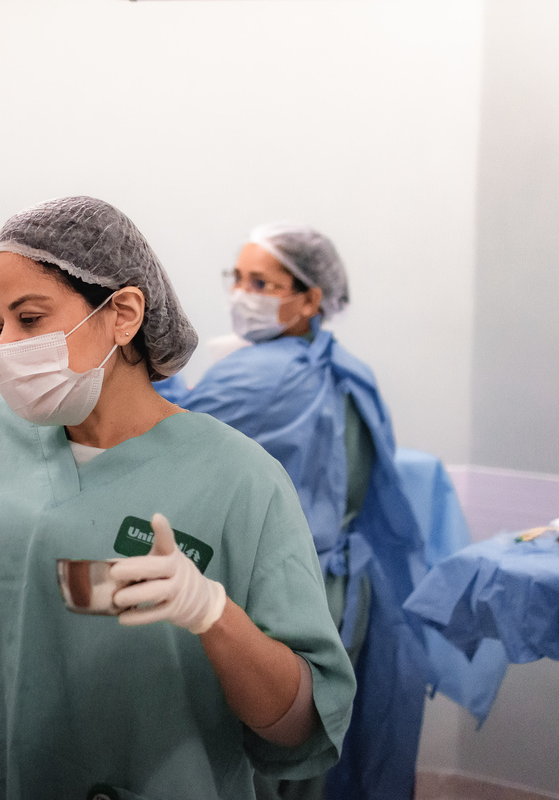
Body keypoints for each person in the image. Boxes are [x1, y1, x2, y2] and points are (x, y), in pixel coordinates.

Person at [0, 197, 356, 800]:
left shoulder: (241, 479)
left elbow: (300, 722)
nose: (9, 345)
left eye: (30, 318)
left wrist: (212, 615)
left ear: (122, 313)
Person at [178, 224, 429, 800]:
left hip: (283, 592)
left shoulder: (258, 376)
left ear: (312, 297)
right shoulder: (347, 370)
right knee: (312, 758)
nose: (242, 294)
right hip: (345, 594)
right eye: (237, 278)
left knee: (264, 760)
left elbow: (168, 436)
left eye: (260, 282)